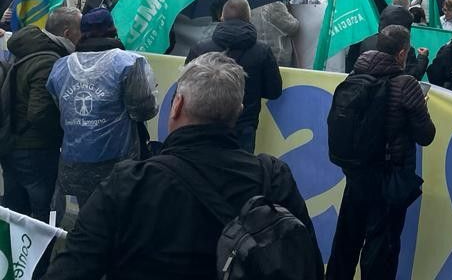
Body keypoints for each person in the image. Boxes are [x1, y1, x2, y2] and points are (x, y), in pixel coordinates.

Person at [43, 52, 322, 280]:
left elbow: (70, 269)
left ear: (176, 105)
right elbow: (306, 261)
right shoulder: (272, 178)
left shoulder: (129, 184)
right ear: (237, 114)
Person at [327, 25, 435, 280]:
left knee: (346, 241)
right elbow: (426, 136)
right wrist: (420, 110)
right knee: (381, 248)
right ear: (401, 53)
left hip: (356, 172)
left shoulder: (354, 74)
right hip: (388, 177)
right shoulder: (406, 84)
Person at [47, 7, 157, 211]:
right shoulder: (129, 62)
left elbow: (61, 107)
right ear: (113, 30)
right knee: (118, 219)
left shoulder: (60, 66)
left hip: (73, 164)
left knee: (86, 219)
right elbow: (143, 111)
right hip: (118, 163)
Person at [187, 0, 282, 153]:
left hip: (202, 123)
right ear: (249, 18)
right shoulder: (262, 51)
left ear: (222, 18)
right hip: (244, 125)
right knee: (240, 173)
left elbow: (184, 89)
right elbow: (274, 91)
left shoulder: (200, 49)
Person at [3, 21, 73, 221]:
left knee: (15, 210)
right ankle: (43, 252)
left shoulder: (20, 59)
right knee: (44, 212)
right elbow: (39, 113)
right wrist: (61, 134)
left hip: (11, 144)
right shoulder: (46, 62)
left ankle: (14, 252)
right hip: (36, 149)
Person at [345, 5, 429, 78]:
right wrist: (422, 58)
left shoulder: (365, 41)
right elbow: (412, 76)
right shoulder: (405, 48)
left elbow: (351, 67)